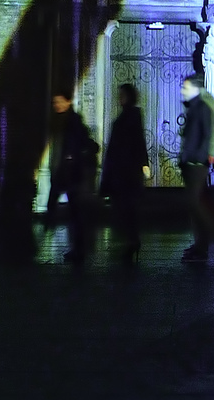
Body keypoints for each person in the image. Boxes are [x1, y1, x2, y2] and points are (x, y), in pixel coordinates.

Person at [46, 90, 99, 265]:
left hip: (70, 172)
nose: (57, 105)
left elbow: (80, 144)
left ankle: (78, 249)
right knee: (72, 212)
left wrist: (72, 157)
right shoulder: (61, 120)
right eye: (55, 102)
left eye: (59, 101)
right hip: (64, 171)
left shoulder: (72, 121)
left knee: (74, 213)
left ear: (68, 102)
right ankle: (77, 248)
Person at [100, 83, 151, 264]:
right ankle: (131, 242)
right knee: (125, 209)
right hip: (123, 170)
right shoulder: (129, 116)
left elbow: (137, 142)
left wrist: (143, 164)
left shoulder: (130, 117)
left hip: (125, 171)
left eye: (122, 95)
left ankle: (131, 242)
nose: (119, 98)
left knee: (126, 208)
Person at [178, 73, 214, 263]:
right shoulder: (194, 107)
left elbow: (207, 133)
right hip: (190, 161)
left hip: (197, 162)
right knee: (193, 204)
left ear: (196, 88)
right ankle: (200, 244)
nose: (182, 90)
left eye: (185, 87)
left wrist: (200, 157)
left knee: (195, 202)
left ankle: (211, 235)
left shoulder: (203, 106)